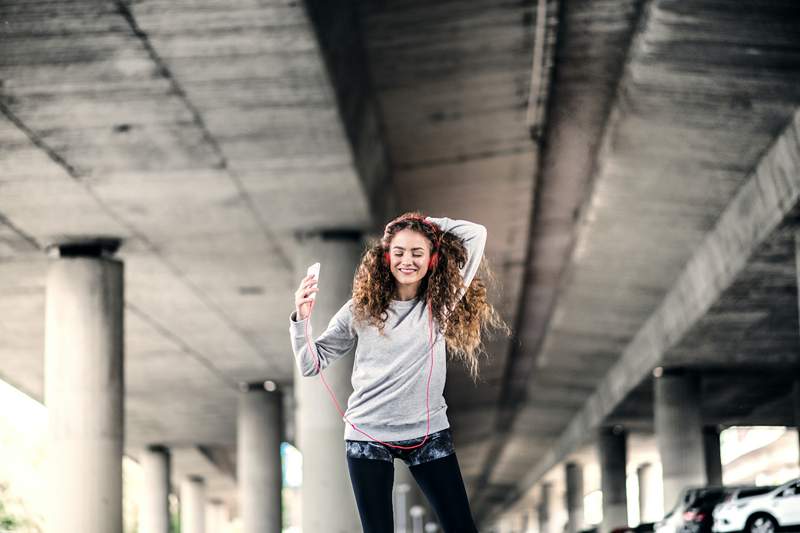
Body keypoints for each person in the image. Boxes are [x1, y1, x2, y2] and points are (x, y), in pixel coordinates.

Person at [289, 212, 510, 533]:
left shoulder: (441, 303)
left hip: (428, 434)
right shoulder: (360, 309)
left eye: (417, 253)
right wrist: (301, 318)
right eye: (399, 251)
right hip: (368, 437)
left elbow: (476, 233)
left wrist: (419, 224)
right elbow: (312, 364)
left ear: (432, 259)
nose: (408, 260)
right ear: (386, 257)